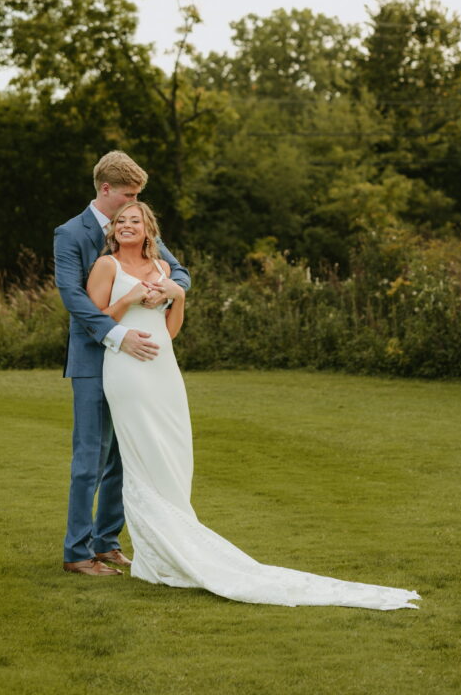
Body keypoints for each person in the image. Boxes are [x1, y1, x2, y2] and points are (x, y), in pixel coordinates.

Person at [86, 199, 421, 609]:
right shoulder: (107, 266)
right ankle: (161, 555)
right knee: (144, 455)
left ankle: (170, 546)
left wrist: (178, 297)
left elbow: (171, 331)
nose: (126, 226)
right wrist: (131, 298)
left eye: (134, 221)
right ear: (113, 229)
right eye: (121, 221)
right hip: (126, 370)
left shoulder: (165, 270)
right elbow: (96, 319)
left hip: (164, 371)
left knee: (174, 451)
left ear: (148, 229)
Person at [54, 151, 190, 576]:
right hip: (95, 357)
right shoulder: (69, 233)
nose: (133, 206)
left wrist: (164, 291)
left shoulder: (135, 221)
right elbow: (72, 296)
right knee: (91, 455)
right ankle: (77, 552)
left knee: (125, 452)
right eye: (128, 195)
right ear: (106, 189)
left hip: (139, 366)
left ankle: (107, 542)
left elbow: (178, 271)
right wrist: (117, 334)